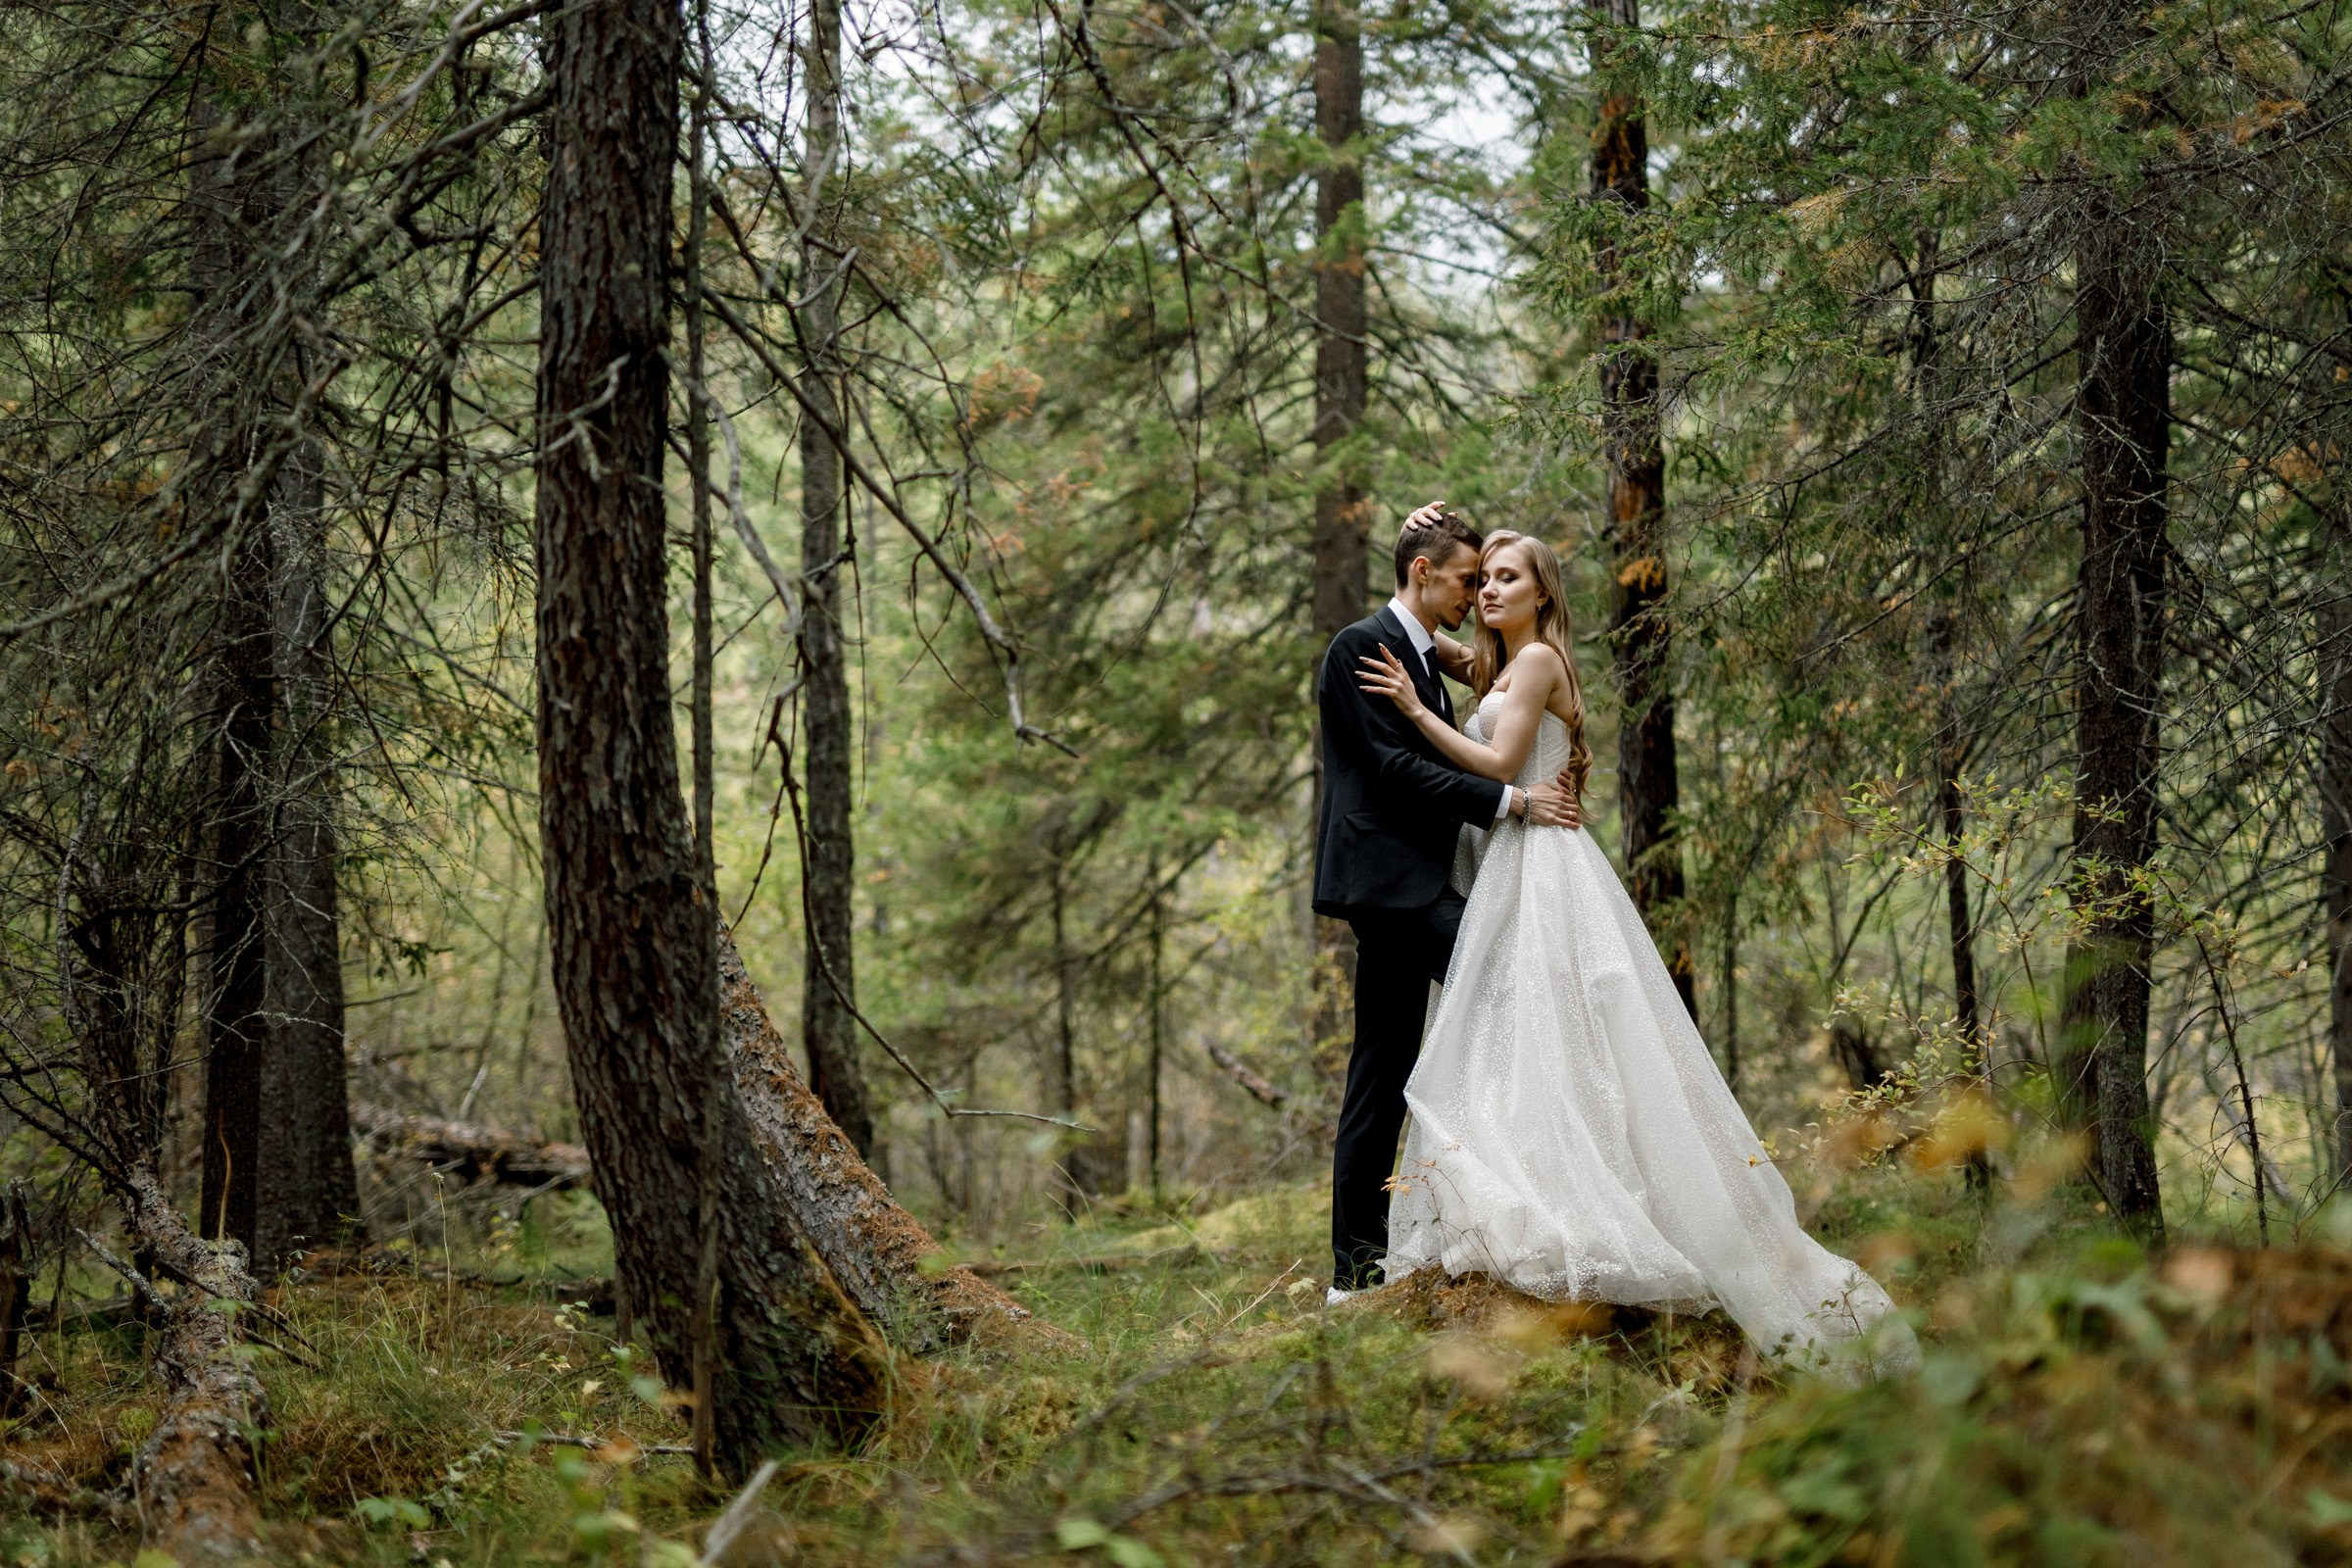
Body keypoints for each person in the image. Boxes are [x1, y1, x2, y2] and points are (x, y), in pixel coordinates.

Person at [1355, 522, 1916, 1370]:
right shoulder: (1500, 660)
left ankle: (1599, 1216)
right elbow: (1425, 620)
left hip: (1542, 862)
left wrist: (1407, 709)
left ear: (1543, 592)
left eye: (1510, 577)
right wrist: (1416, 549)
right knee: (1512, 1034)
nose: (1491, 591)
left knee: (1549, 1027)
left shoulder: (1537, 660)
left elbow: (1498, 759)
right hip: (1511, 862)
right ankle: (1522, 1202)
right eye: (1485, 580)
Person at [1313, 507, 1582, 1304]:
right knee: (1508, 986)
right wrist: (1511, 802)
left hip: (1418, 881)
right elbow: (1395, 771)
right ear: (1424, 575)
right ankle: (1503, 1209)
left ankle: (1354, 1279)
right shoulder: (1362, 647)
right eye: (1467, 579)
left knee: (1380, 1074)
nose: (1475, 593)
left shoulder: (1427, 657)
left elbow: (1489, 666)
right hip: (1394, 886)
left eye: (1490, 580)